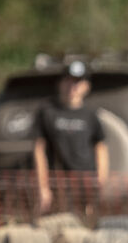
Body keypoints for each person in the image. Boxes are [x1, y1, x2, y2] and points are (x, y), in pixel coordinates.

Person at [33, 60, 108, 214]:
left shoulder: (91, 115)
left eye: (77, 82)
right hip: (58, 184)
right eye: (69, 80)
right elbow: (39, 149)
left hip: (86, 183)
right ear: (60, 83)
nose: (73, 86)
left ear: (86, 86)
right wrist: (43, 187)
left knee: (85, 223)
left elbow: (100, 147)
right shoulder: (47, 112)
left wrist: (101, 179)